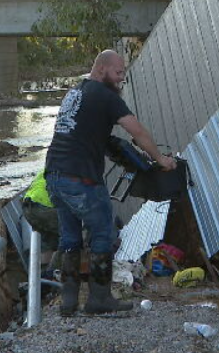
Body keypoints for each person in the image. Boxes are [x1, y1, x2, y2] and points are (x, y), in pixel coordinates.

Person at [46, 50, 177, 316]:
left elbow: (87, 134)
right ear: (103, 68)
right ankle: (99, 299)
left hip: (55, 176)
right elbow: (136, 130)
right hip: (81, 179)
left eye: (123, 76)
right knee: (103, 233)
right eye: (118, 74)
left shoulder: (76, 93)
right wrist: (160, 159)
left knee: (70, 238)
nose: (120, 80)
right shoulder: (105, 96)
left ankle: (68, 303)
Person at [21, 169, 61, 276]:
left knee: (47, 241)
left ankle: (40, 278)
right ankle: (51, 273)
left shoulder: (49, 167)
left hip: (28, 207)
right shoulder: (71, 170)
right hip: (44, 208)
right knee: (71, 234)